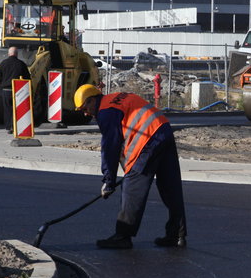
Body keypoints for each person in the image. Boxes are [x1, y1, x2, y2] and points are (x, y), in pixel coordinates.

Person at [74, 84, 187, 249]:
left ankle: (123, 236)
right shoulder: (116, 98)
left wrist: (108, 181)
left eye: (84, 108)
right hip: (164, 131)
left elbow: (110, 147)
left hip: (147, 141)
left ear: (91, 101)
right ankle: (177, 235)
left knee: (131, 187)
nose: (85, 113)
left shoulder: (105, 112)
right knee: (170, 187)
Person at [0, 46, 30, 134]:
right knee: (18, 109)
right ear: (17, 54)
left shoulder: (3, 63)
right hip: (18, 90)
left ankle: (8, 127)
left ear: (8, 54)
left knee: (7, 109)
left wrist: (2, 83)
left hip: (6, 90)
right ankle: (17, 126)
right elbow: (27, 78)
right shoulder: (21, 64)